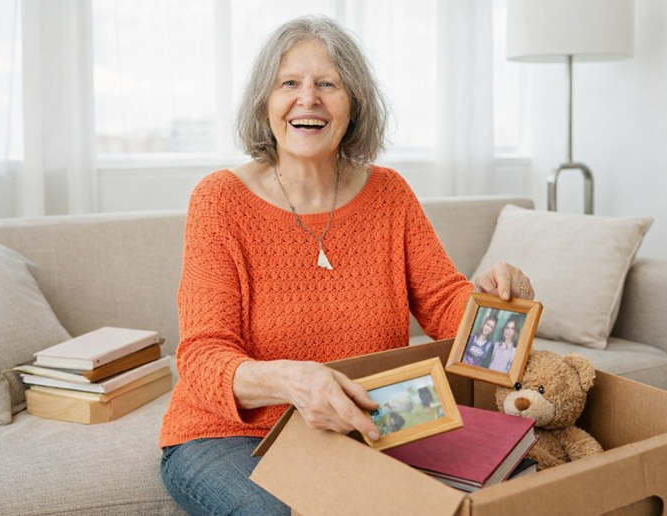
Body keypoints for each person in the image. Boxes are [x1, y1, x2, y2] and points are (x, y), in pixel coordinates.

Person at [158, 14, 535, 516]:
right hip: (231, 436)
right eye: (289, 83)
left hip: (369, 426)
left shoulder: (390, 193)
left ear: (354, 103)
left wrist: (496, 304)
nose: (307, 99)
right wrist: (292, 383)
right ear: (265, 102)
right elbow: (202, 356)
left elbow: (445, 303)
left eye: (327, 84)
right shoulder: (219, 200)